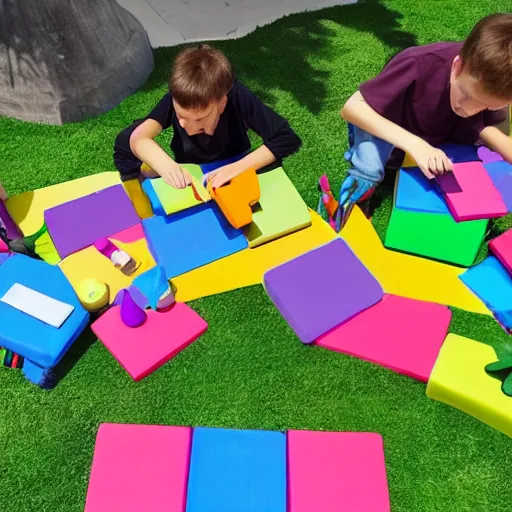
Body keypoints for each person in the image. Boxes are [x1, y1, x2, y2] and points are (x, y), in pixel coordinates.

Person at [339, 12, 512, 209]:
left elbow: (483, 127)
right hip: (388, 130)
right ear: (457, 65)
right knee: (369, 172)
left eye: (486, 105)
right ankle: (361, 179)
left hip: (437, 143)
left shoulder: (497, 83)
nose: (469, 110)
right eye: (466, 94)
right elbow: (352, 107)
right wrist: (415, 145)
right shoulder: (418, 63)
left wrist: (504, 146)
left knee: (467, 179)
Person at [114, 44, 301, 199]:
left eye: (199, 119)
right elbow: (134, 138)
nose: (186, 125)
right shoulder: (179, 96)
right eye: (180, 116)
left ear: (221, 103)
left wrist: (236, 169)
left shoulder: (238, 97)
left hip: (234, 162)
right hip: (192, 171)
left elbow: (286, 138)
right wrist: (167, 166)